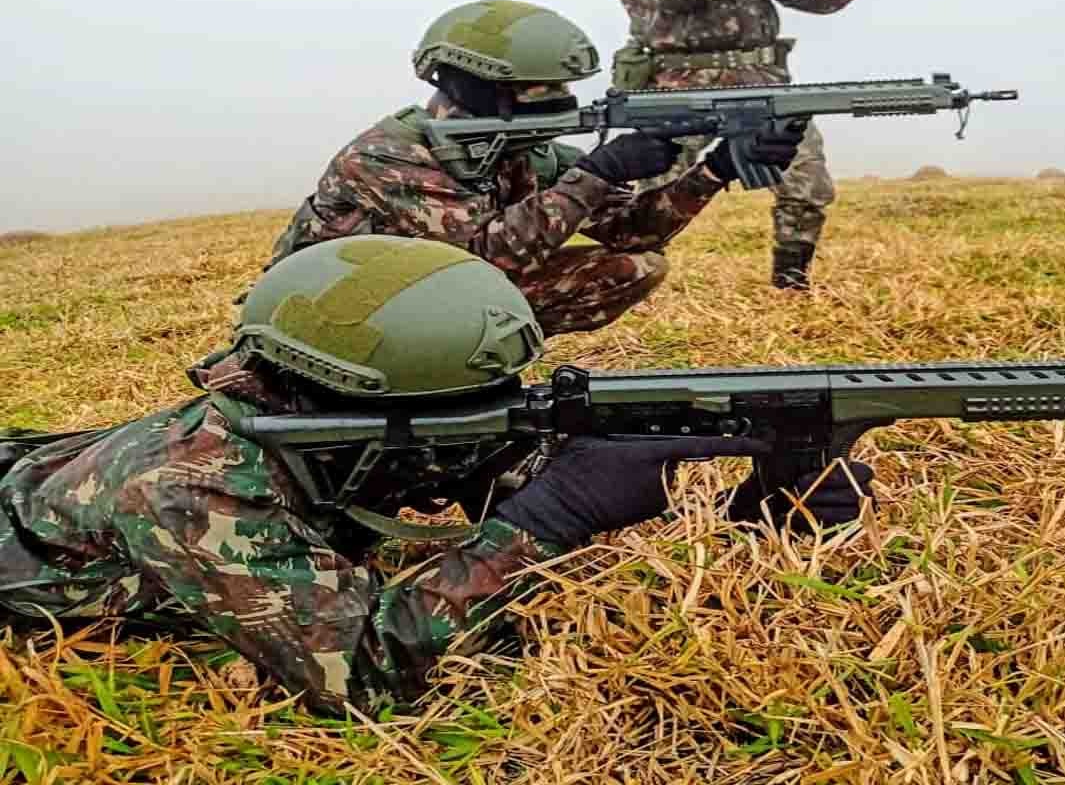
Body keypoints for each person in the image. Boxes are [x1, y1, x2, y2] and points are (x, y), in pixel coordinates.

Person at [0, 236, 873, 714]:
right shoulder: (188, 488)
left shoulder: (330, 417)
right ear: (354, 393)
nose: (491, 417)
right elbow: (365, 673)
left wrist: (750, 495)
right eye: (463, 403)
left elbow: (512, 471)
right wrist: (553, 516)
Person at [266, 0, 806, 336]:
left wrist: (714, 170)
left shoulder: (521, 148)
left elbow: (631, 233)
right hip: (326, 315)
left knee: (636, 265)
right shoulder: (389, 157)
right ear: (475, 83)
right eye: (538, 88)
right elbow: (483, 260)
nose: (558, 99)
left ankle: (472, 357)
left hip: (415, 295)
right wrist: (595, 174)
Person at [607, 0, 895, 290]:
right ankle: (634, 279)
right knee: (654, 188)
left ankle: (791, 283)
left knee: (807, 185)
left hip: (762, 81)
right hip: (674, 85)